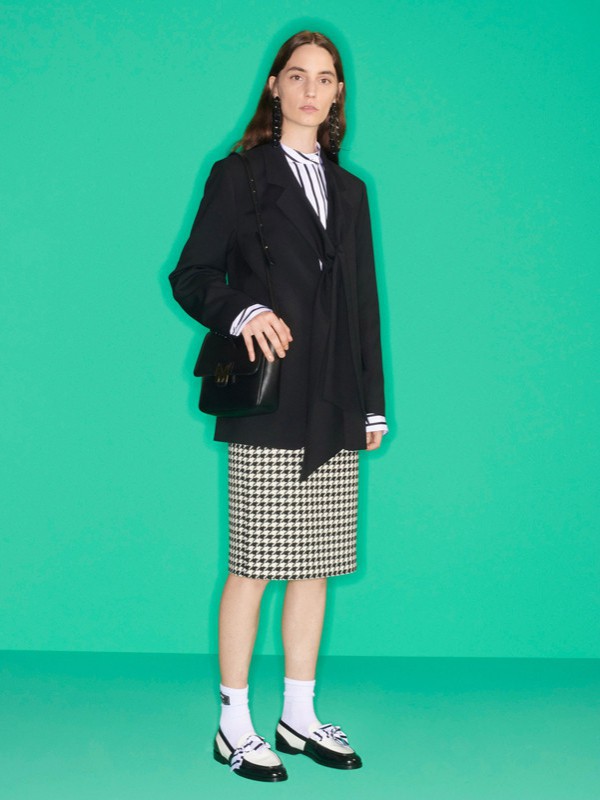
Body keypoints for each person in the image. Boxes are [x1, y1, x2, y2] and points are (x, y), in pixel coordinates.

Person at [168, 30, 388, 782]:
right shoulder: (239, 177)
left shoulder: (351, 191)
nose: (310, 89)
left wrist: (372, 404)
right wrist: (244, 311)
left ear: (337, 95)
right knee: (256, 564)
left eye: (324, 78)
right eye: (297, 75)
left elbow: (363, 305)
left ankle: (298, 714)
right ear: (274, 86)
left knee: (315, 565)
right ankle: (233, 722)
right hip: (267, 398)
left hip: (335, 401)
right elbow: (192, 274)